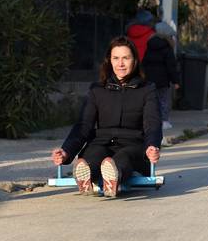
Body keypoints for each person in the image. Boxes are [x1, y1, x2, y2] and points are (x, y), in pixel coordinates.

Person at [50, 36, 161, 197]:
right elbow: (84, 126)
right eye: (115, 58)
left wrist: (152, 146)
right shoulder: (97, 90)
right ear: (109, 61)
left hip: (133, 145)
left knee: (122, 158)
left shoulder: (147, 89)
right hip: (101, 142)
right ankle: (87, 174)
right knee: (93, 155)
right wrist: (66, 152)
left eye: (125, 58)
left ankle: (113, 178)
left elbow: (152, 124)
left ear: (135, 60)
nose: (120, 64)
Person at [142, 21, 181, 130]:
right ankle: (164, 121)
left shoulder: (149, 46)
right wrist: (176, 81)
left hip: (150, 80)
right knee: (164, 101)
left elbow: (144, 63)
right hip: (163, 81)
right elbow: (171, 67)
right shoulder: (167, 48)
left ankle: (152, 120)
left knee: (152, 101)